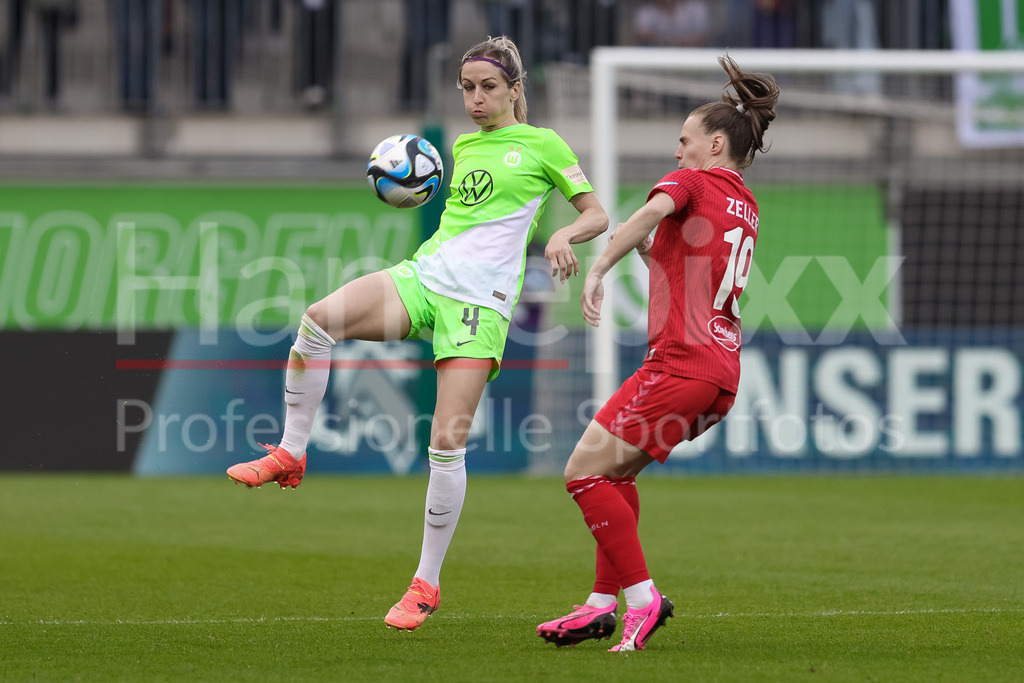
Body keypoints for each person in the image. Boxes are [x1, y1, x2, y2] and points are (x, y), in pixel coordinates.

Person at [226, 35, 609, 632]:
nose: (475, 100)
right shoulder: (460, 145)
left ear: (513, 89)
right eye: (466, 88)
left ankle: (425, 582)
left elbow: (596, 213)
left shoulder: (542, 144)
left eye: (487, 88)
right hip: (425, 276)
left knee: (445, 444)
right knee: (317, 321)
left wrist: (563, 236)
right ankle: (291, 451)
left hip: (480, 305)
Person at [537, 54, 779, 652]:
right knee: (615, 474)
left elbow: (648, 210)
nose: (677, 152)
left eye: (684, 140)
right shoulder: (744, 204)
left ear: (715, 144)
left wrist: (599, 267)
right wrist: (652, 254)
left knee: (582, 471)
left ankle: (641, 601)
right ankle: (598, 606)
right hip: (720, 374)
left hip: (679, 363)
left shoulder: (693, 182)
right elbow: (691, 271)